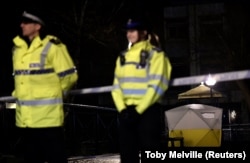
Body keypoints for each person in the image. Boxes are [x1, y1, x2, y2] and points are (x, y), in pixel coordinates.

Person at [11, 9, 78, 163]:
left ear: (37, 26)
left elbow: (69, 77)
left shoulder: (52, 47)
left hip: (49, 120)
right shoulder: (18, 49)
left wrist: (57, 94)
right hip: (25, 121)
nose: (22, 25)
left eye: (26, 22)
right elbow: (21, 81)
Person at [111, 17, 172, 163]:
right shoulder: (122, 57)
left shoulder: (156, 55)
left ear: (144, 33)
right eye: (127, 31)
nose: (128, 34)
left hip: (148, 112)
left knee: (150, 154)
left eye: (132, 31)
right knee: (127, 156)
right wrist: (123, 110)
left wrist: (138, 110)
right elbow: (116, 87)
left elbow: (158, 85)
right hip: (126, 113)